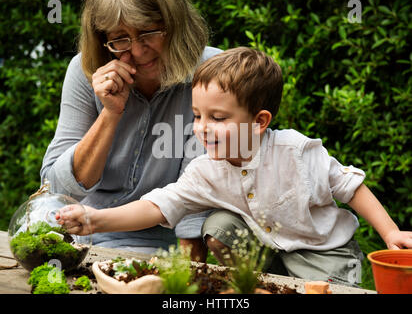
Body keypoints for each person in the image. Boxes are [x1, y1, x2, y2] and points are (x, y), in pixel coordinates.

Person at [57, 47, 412, 286]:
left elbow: (351, 187)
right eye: (197, 115)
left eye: (218, 117)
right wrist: (95, 218)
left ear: (259, 121)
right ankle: (251, 284)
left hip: (319, 248)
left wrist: (391, 232)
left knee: (322, 290)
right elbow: (157, 205)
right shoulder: (205, 169)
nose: (201, 127)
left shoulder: (296, 152)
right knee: (219, 225)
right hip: (266, 251)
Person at [40, 0, 221, 257]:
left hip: (168, 246)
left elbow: (196, 198)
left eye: (148, 32)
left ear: (175, 24)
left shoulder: (214, 73)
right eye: (119, 38)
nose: (136, 51)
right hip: (84, 239)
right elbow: (55, 190)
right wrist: (110, 114)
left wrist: (182, 280)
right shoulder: (85, 71)